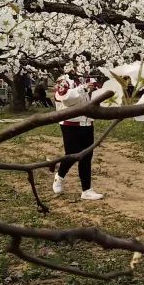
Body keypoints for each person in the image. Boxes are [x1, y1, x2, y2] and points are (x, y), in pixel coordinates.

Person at [50, 72, 102, 200]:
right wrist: (83, 88)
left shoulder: (91, 78)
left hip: (87, 121)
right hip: (69, 122)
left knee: (87, 155)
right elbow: (66, 99)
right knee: (72, 153)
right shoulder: (64, 79)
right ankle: (59, 177)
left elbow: (100, 94)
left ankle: (86, 190)